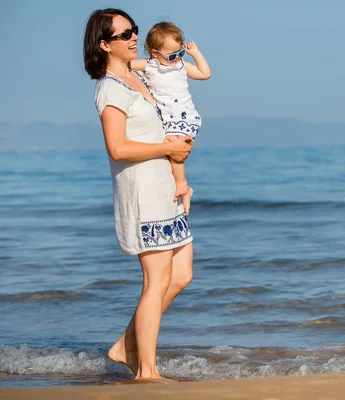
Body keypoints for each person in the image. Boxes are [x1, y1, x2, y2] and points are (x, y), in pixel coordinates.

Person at [84, 8, 195, 381]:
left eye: (134, 30)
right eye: (124, 34)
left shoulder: (139, 77)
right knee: (156, 281)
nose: (134, 37)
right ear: (104, 45)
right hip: (143, 194)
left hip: (167, 189)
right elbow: (117, 148)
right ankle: (146, 370)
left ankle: (124, 345)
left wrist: (180, 172)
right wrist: (168, 150)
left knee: (181, 275)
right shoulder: (110, 89)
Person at [130, 22, 211, 216]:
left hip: (184, 116)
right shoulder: (149, 65)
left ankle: (183, 185)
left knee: (174, 147)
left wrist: (195, 54)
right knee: (168, 150)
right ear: (153, 52)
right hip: (167, 119)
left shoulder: (182, 66)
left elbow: (205, 74)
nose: (176, 59)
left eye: (179, 53)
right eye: (172, 55)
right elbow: (124, 65)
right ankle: (181, 185)